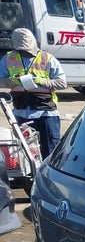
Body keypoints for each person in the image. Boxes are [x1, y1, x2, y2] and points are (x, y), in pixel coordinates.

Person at [0, 28, 67, 160]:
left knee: (50, 152)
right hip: (21, 113)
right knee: (25, 154)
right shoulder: (8, 58)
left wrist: (42, 81)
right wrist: (12, 81)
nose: (24, 52)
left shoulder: (47, 59)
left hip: (46, 114)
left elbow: (62, 83)